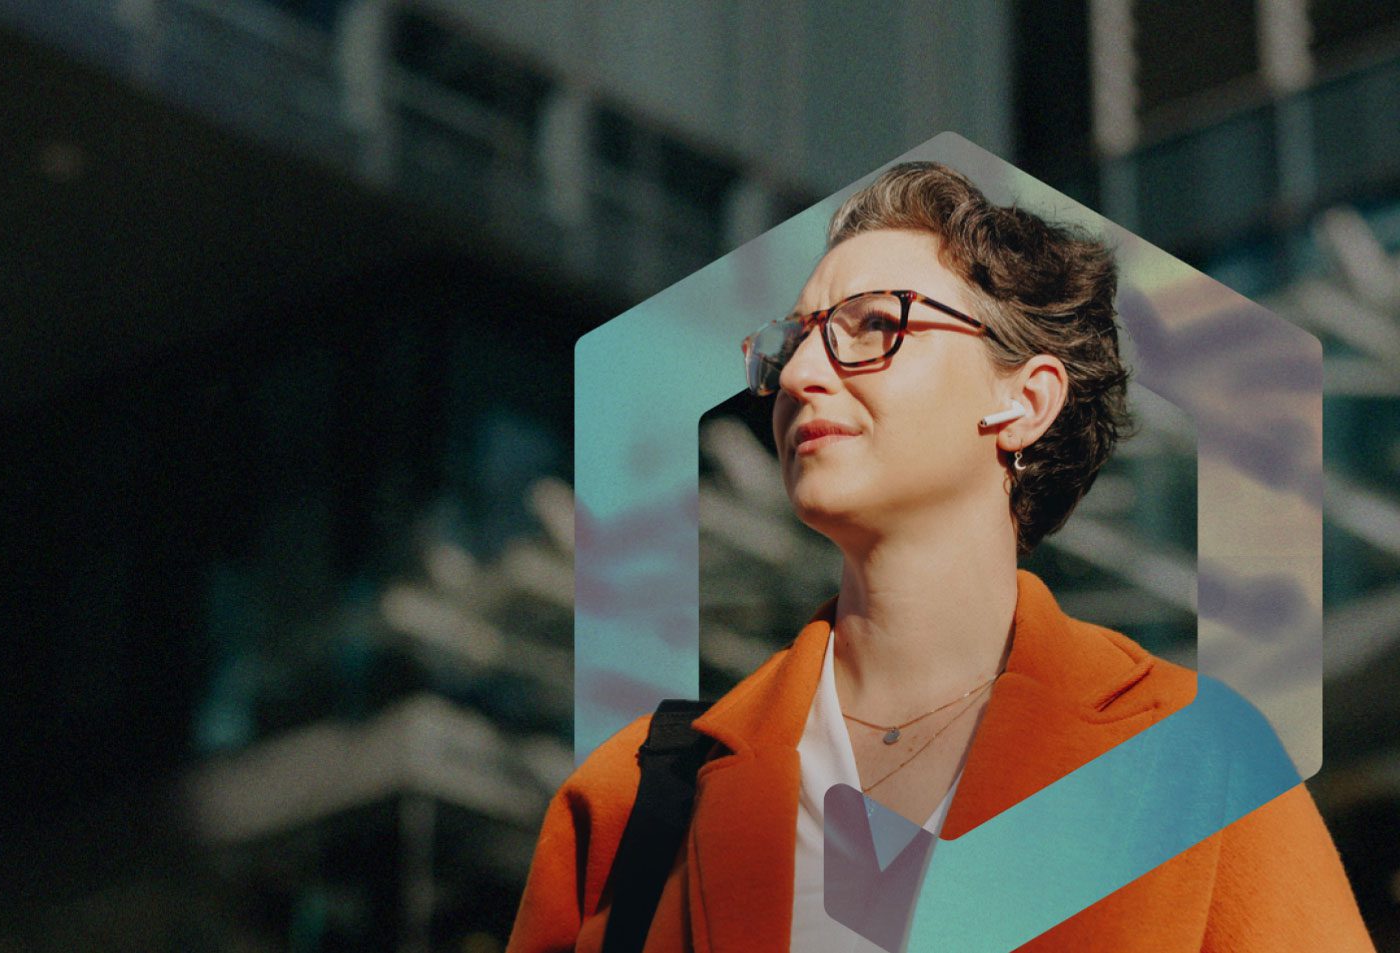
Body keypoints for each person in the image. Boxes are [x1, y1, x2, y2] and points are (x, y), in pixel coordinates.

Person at [506, 162, 1374, 951]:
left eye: (873, 324)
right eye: (793, 339)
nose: (803, 371)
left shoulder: (1198, 761)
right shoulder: (634, 797)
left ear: (1024, 401)